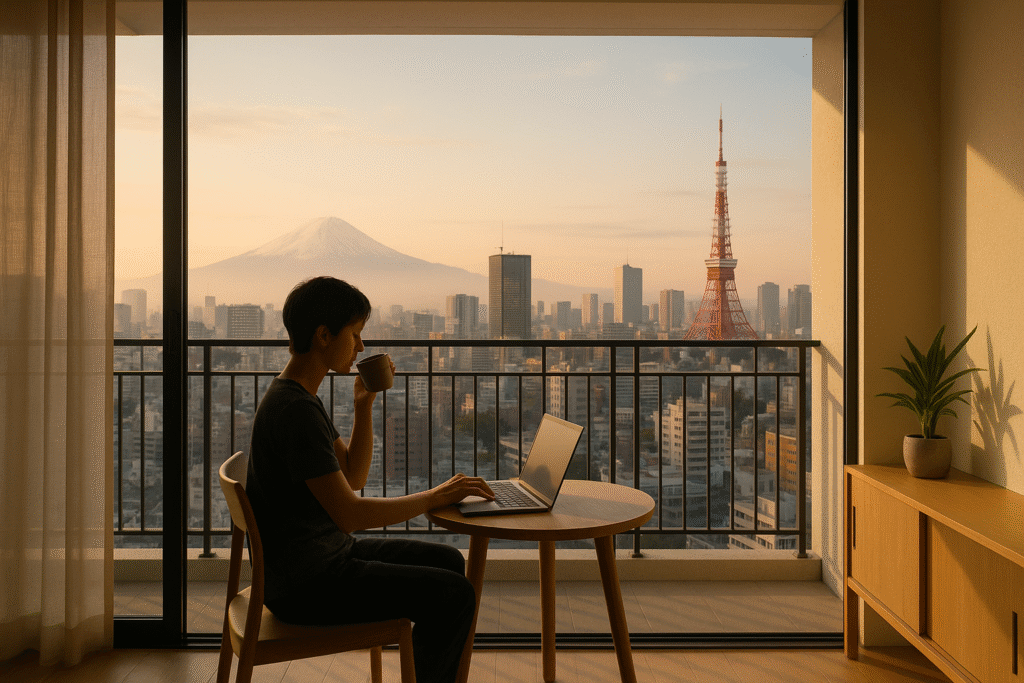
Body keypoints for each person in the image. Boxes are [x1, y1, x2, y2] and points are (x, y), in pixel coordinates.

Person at [245, 276, 494, 683]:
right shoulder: (295, 412)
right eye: (356, 334)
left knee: (448, 561)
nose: (361, 347)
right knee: (454, 594)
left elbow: (354, 477)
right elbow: (351, 514)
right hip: (308, 588)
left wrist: (365, 405)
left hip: (318, 562)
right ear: (324, 335)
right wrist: (434, 497)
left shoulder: (298, 396)